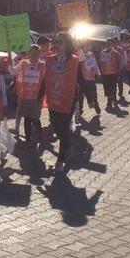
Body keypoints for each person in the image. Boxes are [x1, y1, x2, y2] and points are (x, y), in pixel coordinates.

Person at [39, 33, 86, 174]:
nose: (56, 45)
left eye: (60, 42)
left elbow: (81, 79)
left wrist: (91, 98)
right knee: (56, 125)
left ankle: (61, 160)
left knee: (64, 128)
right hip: (53, 99)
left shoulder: (74, 61)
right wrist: (39, 95)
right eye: (55, 42)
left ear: (67, 43)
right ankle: (68, 147)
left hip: (68, 100)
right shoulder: (50, 60)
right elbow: (45, 79)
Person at [11, 45, 45, 148]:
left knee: (34, 118)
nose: (35, 56)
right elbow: (13, 71)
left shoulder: (42, 65)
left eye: (37, 54)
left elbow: (45, 80)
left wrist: (42, 96)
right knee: (27, 118)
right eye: (33, 54)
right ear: (28, 54)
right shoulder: (23, 63)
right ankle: (28, 139)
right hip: (25, 96)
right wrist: (9, 63)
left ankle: (40, 131)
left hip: (37, 97)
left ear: (40, 54)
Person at [76, 40, 102, 122]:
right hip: (82, 79)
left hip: (91, 78)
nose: (89, 47)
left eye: (89, 45)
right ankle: (80, 110)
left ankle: (96, 105)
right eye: (87, 45)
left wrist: (98, 72)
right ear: (83, 46)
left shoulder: (91, 54)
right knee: (80, 96)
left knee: (93, 93)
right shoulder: (78, 54)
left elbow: (95, 64)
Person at [99, 37, 122, 110]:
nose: (108, 44)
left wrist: (118, 72)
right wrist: (100, 72)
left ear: (112, 44)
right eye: (107, 43)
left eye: (110, 43)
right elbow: (101, 62)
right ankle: (109, 99)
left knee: (113, 87)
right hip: (105, 73)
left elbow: (119, 63)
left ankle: (112, 100)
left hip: (113, 73)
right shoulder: (102, 52)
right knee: (107, 88)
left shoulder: (116, 53)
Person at [117, 31, 129, 101]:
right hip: (119, 60)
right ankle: (119, 91)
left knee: (123, 76)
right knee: (119, 78)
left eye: (125, 34)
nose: (124, 35)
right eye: (123, 34)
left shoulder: (128, 42)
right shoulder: (119, 42)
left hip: (126, 59)